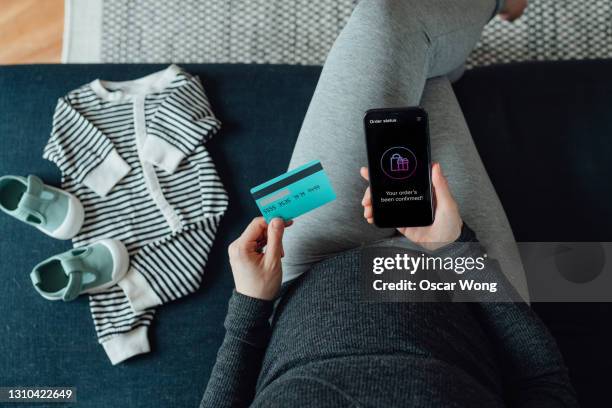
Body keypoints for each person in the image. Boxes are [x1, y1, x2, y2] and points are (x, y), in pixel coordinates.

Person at [201, 0, 578, 406]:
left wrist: (250, 306)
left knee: (387, 19)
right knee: (417, 68)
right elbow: (543, 381)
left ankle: (452, 45)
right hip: (463, 284)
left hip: (307, 266)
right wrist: (456, 246)